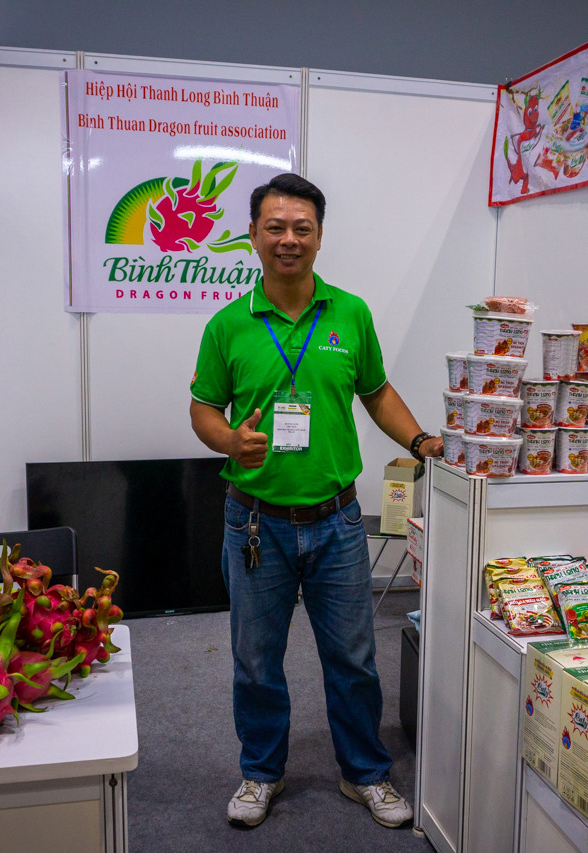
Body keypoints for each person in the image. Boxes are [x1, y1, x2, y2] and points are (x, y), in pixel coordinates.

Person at [188, 173, 442, 829]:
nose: (289, 239)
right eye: (275, 227)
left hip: (336, 522)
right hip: (255, 523)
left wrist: (419, 440)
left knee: (354, 659)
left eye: (302, 228)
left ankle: (365, 774)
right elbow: (203, 407)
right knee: (255, 662)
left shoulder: (350, 313)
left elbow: (376, 392)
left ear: (320, 237)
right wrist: (228, 439)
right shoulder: (228, 325)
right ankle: (261, 772)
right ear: (253, 235)